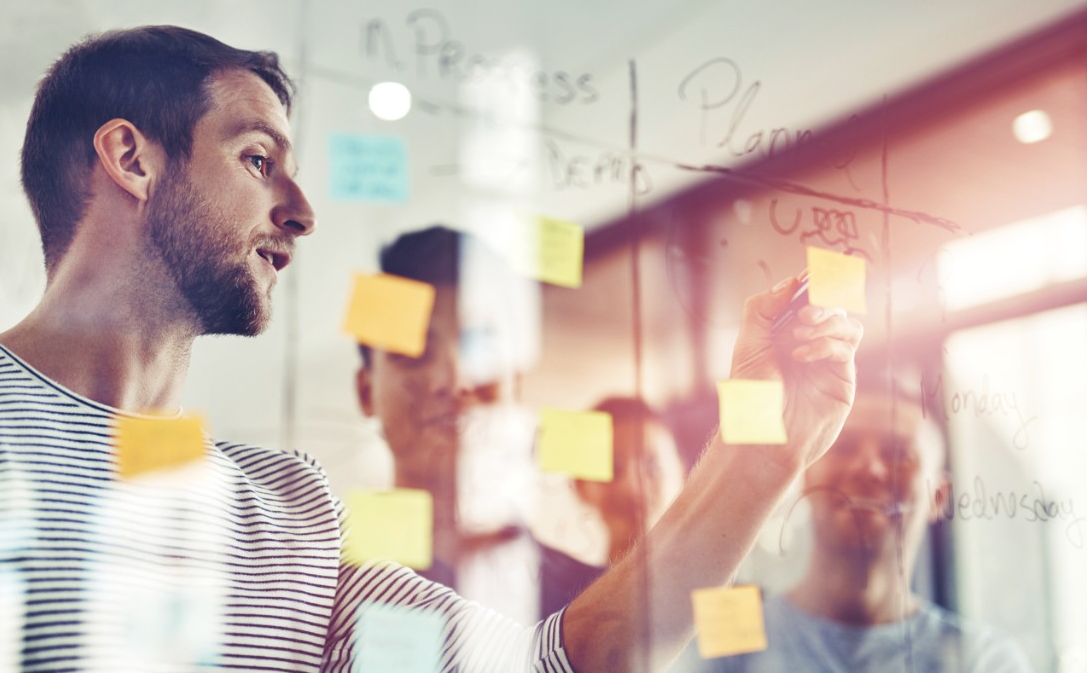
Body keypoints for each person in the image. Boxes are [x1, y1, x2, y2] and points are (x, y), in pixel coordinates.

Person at [0, 25, 862, 672]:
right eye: (258, 157)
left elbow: (565, 661)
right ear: (128, 156)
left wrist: (759, 450)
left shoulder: (288, 507)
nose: (301, 210)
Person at [690, 373, 1032, 672]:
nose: (868, 468)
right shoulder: (724, 638)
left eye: (898, 454)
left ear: (937, 498)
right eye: (843, 447)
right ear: (806, 476)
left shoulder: (982, 661)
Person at [354, 226, 546, 624]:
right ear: (366, 391)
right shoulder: (322, 596)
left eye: (480, 347)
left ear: (517, 381)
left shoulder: (587, 605)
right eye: (414, 351)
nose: (454, 379)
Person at [539, 396, 686, 620]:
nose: (632, 486)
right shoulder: (561, 607)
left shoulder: (717, 590)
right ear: (580, 485)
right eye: (611, 470)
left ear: (683, 473)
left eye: (652, 466)